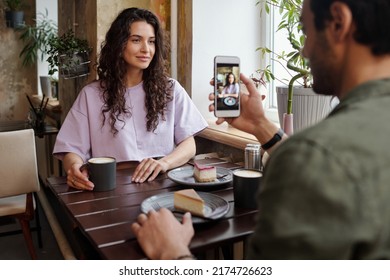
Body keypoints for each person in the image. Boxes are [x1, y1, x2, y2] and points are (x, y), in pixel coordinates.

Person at [131, 0, 390, 259]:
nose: (304, 50)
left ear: (338, 22)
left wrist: (173, 253)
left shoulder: (316, 156)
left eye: (307, 31)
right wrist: (261, 125)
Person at [53, 8, 208, 190]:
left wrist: (164, 163)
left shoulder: (171, 89)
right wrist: (74, 168)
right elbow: (72, 148)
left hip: (163, 184)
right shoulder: (91, 94)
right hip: (110, 188)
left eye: (151, 42)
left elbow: (189, 145)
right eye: (136, 40)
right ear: (119, 44)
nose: (146, 49)